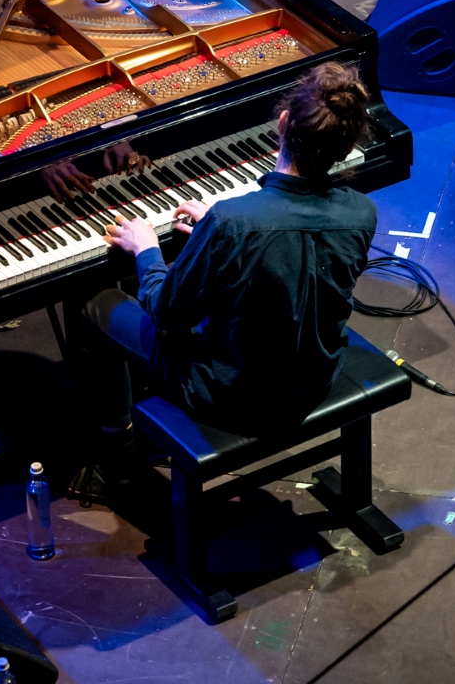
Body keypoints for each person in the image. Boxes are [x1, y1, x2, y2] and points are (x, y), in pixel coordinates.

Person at [73, 63, 377, 495]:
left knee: (93, 306)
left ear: (284, 121)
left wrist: (147, 250)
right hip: (314, 374)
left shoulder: (233, 222)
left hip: (230, 395)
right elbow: (288, 268)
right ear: (346, 143)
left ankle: (118, 462)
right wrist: (219, 240)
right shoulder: (361, 212)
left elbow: (167, 316)